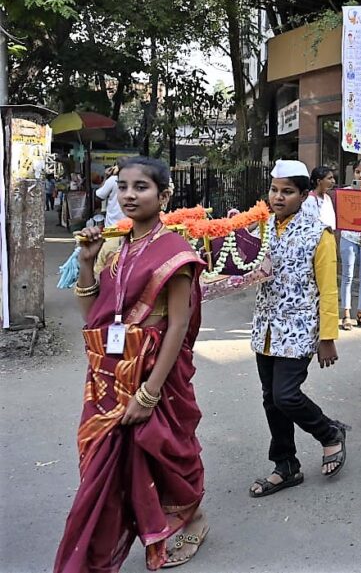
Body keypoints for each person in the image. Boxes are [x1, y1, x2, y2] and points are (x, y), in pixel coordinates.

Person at [55, 157, 209, 572]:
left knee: (163, 450)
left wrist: (150, 392)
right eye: (122, 186)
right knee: (110, 459)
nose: (129, 195)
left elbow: (179, 325)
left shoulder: (175, 252)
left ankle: (193, 518)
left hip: (156, 374)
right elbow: (95, 317)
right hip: (111, 373)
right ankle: (109, 540)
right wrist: (86, 263)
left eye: (141, 187)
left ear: (164, 195)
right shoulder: (112, 248)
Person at [249, 160, 348, 498]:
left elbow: (328, 289)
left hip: (299, 327)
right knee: (271, 399)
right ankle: (286, 464)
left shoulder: (319, 234)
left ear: (304, 195)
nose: (278, 197)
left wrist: (328, 337)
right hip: (265, 327)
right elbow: (244, 266)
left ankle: (329, 433)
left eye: (287, 191)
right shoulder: (261, 227)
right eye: (274, 190)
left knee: (286, 395)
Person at [339, 159, 361, 330]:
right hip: (349, 236)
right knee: (348, 275)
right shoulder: (346, 192)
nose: (360, 175)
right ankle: (346, 314)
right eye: (358, 172)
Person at [303, 165, 337, 230]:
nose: (333, 181)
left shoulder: (327, 197)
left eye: (333, 178)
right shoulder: (310, 200)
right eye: (329, 178)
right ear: (319, 181)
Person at [96, 162, 125, 228]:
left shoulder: (113, 179)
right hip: (130, 224)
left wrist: (106, 177)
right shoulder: (135, 179)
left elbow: (99, 196)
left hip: (113, 224)